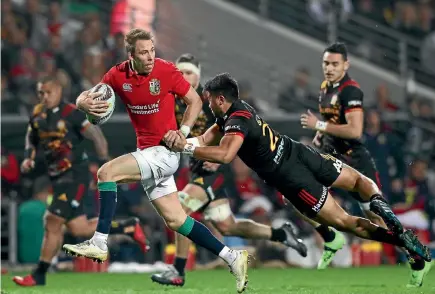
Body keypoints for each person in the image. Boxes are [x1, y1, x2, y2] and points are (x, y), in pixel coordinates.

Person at [163, 73, 432, 277]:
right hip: (300, 152)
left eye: (209, 99)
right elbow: (204, 140)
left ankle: (402, 240)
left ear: (220, 98)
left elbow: (224, 155)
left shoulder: (235, 121)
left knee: (346, 222)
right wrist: (182, 139)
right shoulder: (238, 110)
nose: (207, 104)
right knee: (361, 182)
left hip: (292, 179)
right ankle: (386, 213)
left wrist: (184, 148)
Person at [61, 29, 250, 293]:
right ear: (131, 55)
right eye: (143, 53)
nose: (150, 57)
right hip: (148, 152)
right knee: (177, 220)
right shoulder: (117, 75)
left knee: (106, 173)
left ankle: (100, 241)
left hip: (165, 152)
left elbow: (195, 101)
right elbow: (88, 94)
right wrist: (83, 103)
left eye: (151, 50)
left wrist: (182, 132)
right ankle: (233, 257)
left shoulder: (166, 71)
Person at [151, 54, 306, 287]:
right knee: (228, 225)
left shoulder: (209, 100)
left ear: (199, 75)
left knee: (179, 210)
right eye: (180, 73)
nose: (185, 77)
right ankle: (281, 234)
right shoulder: (173, 101)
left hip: (214, 170)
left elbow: (233, 131)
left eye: (190, 72)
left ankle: (178, 270)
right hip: (197, 169)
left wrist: (220, 160)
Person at [300, 42, 432, 287]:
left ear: (346, 65)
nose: (329, 68)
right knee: (295, 190)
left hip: (355, 162)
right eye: (326, 63)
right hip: (333, 159)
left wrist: (318, 126)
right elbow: (331, 122)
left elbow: (354, 130)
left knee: (378, 223)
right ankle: (330, 236)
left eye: (335, 64)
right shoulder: (325, 89)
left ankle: (416, 256)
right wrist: (320, 136)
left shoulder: (351, 92)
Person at [13, 76, 148, 287]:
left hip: (75, 176)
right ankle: (127, 227)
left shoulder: (71, 114)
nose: (44, 97)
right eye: (41, 93)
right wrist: (29, 157)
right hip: (57, 178)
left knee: (52, 220)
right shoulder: (38, 115)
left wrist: (104, 163)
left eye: (48, 92)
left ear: (58, 91)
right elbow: (31, 136)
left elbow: (97, 136)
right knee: (79, 228)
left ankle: (39, 274)